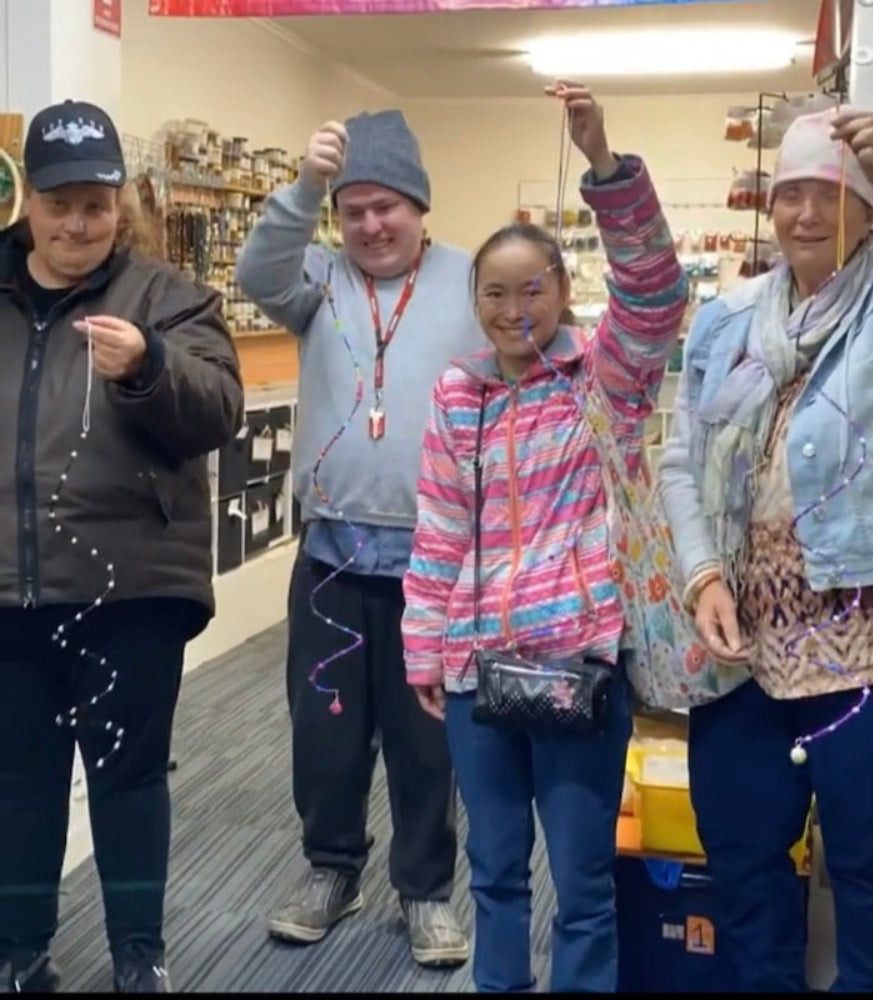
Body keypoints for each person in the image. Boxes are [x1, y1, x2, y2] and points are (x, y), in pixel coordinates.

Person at [657, 106, 873, 992]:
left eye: (833, 194)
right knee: (740, 859)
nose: (808, 214)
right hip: (745, 648)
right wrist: (701, 576)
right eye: (791, 195)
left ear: (867, 204)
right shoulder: (729, 319)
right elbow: (682, 459)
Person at [402, 81, 688, 992]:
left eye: (534, 289)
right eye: (495, 292)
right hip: (476, 672)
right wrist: (425, 648)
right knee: (492, 876)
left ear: (564, 293)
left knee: (584, 883)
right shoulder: (458, 393)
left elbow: (654, 289)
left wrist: (604, 164)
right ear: (475, 299)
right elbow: (440, 528)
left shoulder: (604, 377)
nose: (514, 307)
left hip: (579, 666)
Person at [0, 100, 244, 993]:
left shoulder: (169, 300)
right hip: (10, 591)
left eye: (95, 204)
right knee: (18, 782)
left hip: (130, 591)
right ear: (28, 198)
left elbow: (217, 410)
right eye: (60, 201)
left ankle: (139, 954)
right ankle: (21, 951)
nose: (77, 223)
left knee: (127, 779)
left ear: (119, 204)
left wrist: (149, 367)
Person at [235, 108, 480, 966]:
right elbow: (253, 267)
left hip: (435, 563)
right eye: (354, 210)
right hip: (333, 559)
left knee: (426, 741)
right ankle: (331, 868)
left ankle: (423, 891)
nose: (372, 226)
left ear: (420, 207)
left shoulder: (468, 281)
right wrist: (306, 186)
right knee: (326, 729)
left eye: (389, 207)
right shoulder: (315, 277)